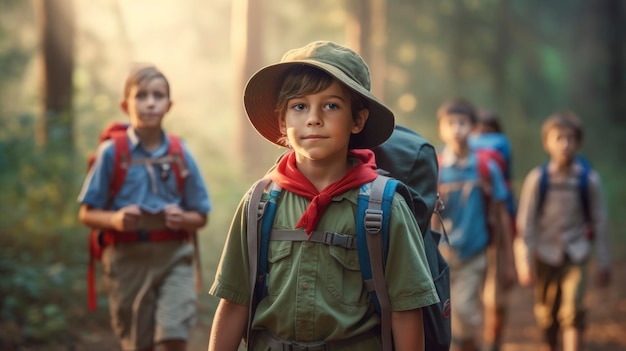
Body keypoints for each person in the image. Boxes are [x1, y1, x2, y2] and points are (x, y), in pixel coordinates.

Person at [208, 40, 439, 351]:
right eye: (299, 106)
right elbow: (234, 305)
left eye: (331, 105)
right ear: (282, 121)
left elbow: (406, 313)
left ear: (358, 119)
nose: (313, 118)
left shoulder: (385, 208)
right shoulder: (259, 204)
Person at [77, 64, 212, 351]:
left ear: (169, 105)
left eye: (158, 95)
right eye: (141, 96)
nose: (150, 102)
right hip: (127, 260)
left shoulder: (180, 153)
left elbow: (200, 216)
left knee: (173, 337)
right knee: (139, 343)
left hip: (175, 256)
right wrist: (115, 219)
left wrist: (183, 218)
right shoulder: (112, 152)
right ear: (126, 105)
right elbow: (86, 213)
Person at [515, 111, 611, 351]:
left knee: (574, 310)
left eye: (570, 138)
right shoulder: (538, 180)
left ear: (578, 143)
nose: (565, 144)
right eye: (558, 138)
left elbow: (600, 221)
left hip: (576, 252)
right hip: (545, 253)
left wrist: (603, 261)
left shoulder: (588, 180)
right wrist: (523, 261)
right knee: (547, 315)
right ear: (547, 143)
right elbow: (525, 223)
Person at [433, 98, 515, 351]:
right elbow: (428, 215)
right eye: (450, 123)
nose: (457, 129)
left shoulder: (485, 167)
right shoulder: (435, 167)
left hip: (474, 254)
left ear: (473, 127)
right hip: (441, 257)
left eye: (463, 123)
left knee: (465, 312)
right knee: (448, 317)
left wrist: (508, 260)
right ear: (441, 129)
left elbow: (501, 213)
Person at [469, 109, 517, 351]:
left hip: (488, 238)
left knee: (488, 298)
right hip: (483, 238)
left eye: (486, 132)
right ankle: (484, 343)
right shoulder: (497, 154)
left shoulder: (489, 163)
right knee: (485, 299)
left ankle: (486, 343)